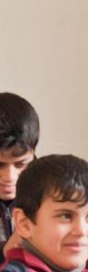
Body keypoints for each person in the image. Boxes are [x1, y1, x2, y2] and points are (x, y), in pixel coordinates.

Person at [0, 92, 38, 262]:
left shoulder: (51, 192)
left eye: (21, 164)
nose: (9, 177)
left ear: (33, 153)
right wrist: (4, 254)